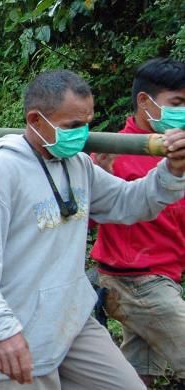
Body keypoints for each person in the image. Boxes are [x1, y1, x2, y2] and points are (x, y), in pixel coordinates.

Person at [0, 69, 185, 389]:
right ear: (35, 121)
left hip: (71, 323)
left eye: (87, 123)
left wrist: (171, 172)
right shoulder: (4, 169)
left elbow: (129, 202)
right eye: (73, 126)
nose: (83, 134)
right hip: (17, 329)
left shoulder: (78, 166)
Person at [90, 57, 185, 388]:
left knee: (137, 376)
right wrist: (100, 174)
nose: (184, 111)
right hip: (135, 281)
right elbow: (81, 220)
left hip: (163, 276)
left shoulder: (176, 154)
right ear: (145, 102)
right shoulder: (111, 153)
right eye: (178, 103)